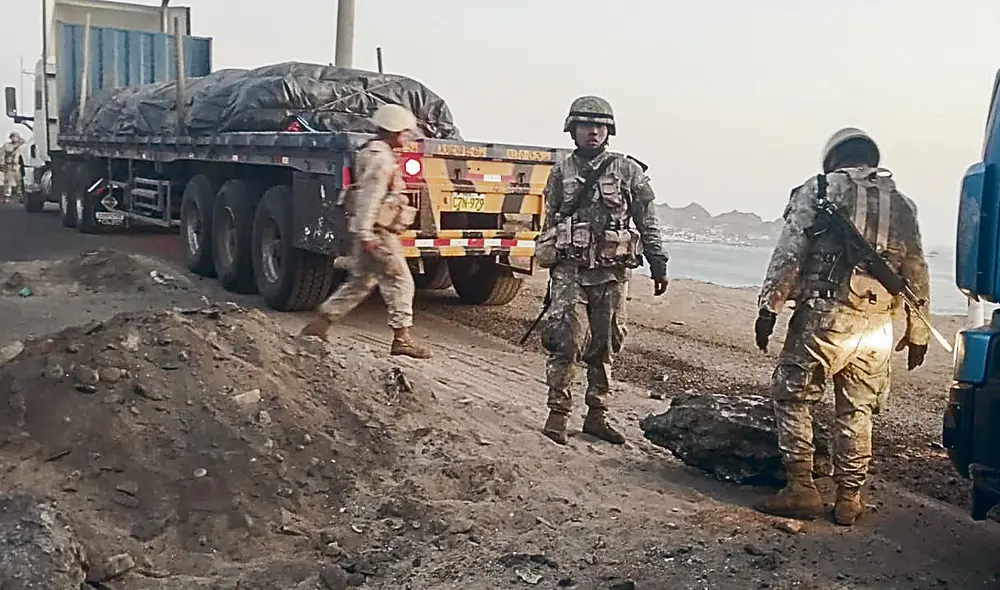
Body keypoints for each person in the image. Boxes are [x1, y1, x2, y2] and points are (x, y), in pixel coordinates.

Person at [753, 127, 930, 526]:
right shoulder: (903, 204)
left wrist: (769, 307)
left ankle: (801, 488)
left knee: (794, 396)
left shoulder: (819, 189)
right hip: (878, 325)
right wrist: (917, 331)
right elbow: (916, 267)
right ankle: (849, 498)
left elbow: (790, 250)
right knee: (857, 409)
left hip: (824, 319)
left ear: (832, 158)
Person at [536, 95, 669, 446]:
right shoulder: (561, 171)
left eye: (599, 126)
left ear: (608, 131)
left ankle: (597, 415)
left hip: (612, 274)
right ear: (573, 131)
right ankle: (558, 414)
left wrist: (658, 262)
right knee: (566, 341)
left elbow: (648, 220)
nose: (593, 132)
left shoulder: (628, 171)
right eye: (585, 126)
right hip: (570, 272)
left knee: (606, 345)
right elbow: (550, 221)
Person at [299, 104, 431, 359]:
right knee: (401, 281)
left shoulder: (372, 152)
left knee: (361, 282)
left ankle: (320, 324)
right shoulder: (381, 160)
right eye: (404, 132)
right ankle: (402, 339)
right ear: (393, 132)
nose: (407, 137)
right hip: (377, 233)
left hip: (369, 231)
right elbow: (369, 199)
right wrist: (367, 235)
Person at [2, 131, 24, 204]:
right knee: (8, 183)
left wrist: (20, 141)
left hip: (17, 166)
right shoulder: (7, 145)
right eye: (13, 137)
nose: (14, 138)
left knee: (20, 182)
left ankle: (21, 196)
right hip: (9, 166)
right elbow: (8, 151)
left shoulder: (20, 146)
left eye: (16, 137)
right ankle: (6, 197)